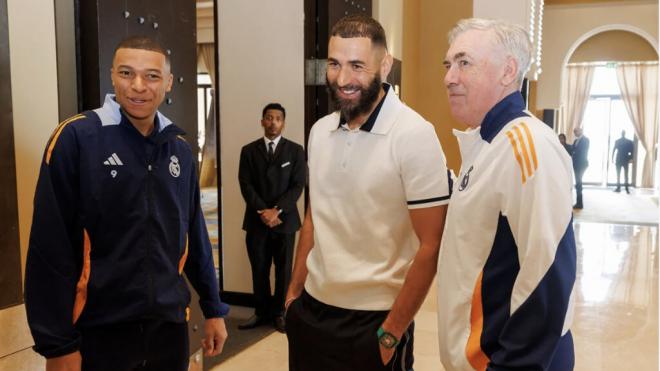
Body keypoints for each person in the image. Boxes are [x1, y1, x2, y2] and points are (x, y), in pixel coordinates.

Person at [24, 36, 229, 371]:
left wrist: (214, 308)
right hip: (98, 332)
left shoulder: (178, 150)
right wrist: (57, 345)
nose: (138, 86)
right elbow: (49, 249)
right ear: (112, 76)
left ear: (168, 82)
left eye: (151, 76)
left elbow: (193, 235)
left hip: (168, 330)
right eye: (126, 73)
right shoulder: (76, 139)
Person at [284, 14, 450, 371]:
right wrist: (293, 293)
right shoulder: (319, 132)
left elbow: (432, 245)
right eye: (334, 64)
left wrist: (392, 332)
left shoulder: (415, 135)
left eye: (357, 65)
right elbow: (315, 216)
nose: (343, 79)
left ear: (385, 64)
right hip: (311, 310)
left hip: (374, 322)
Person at [438, 18, 576, 371]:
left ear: (507, 71)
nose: (449, 77)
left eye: (464, 63)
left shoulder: (525, 146)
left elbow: (546, 278)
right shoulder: (487, 143)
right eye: (448, 64)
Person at [238, 103, 306, 333]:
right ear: (262, 122)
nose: (273, 122)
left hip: (285, 222)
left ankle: (280, 313)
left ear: (283, 123)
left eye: (278, 118)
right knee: (259, 268)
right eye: (269, 117)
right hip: (256, 221)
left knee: (283, 270)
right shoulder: (248, 151)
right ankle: (261, 312)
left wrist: (277, 210)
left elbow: (298, 185)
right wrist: (263, 212)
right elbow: (245, 185)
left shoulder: (296, 151)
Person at [572, 126, 589, 209]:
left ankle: (580, 204)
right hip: (576, 164)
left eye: (576, 131)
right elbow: (573, 150)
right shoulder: (575, 141)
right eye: (574, 132)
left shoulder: (586, 140)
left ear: (581, 131)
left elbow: (582, 151)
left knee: (579, 183)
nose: (575, 133)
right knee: (578, 183)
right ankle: (578, 202)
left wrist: (574, 152)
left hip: (581, 164)